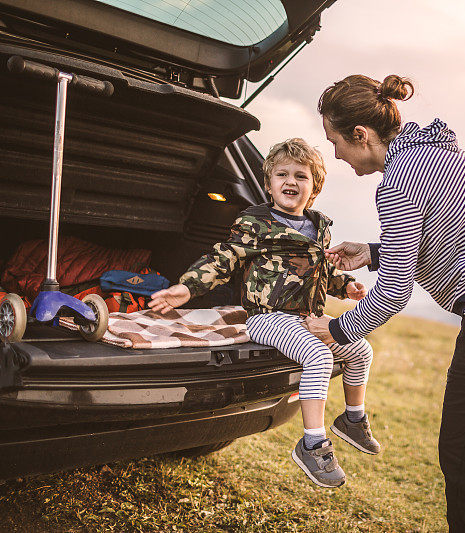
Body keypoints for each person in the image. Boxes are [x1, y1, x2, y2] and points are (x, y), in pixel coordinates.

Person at [305, 75, 465, 531]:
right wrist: (372, 251)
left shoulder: (397, 184)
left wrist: (336, 330)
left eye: (336, 141)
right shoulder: (431, 151)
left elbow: (395, 293)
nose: (336, 154)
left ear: (361, 135)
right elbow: (441, 228)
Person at [148, 138, 381, 488]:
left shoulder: (319, 226)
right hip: (268, 318)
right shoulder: (255, 223)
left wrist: (344, 285)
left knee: (361, 350)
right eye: (282, 174)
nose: (291, 181)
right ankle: (313, 444)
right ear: (269, 182)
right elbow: (223, 259)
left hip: (307, 321)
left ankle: (352, 419)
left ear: (314, 187)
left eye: (301, 176)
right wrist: (186, 287)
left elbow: (320, 271)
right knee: (317, 357)